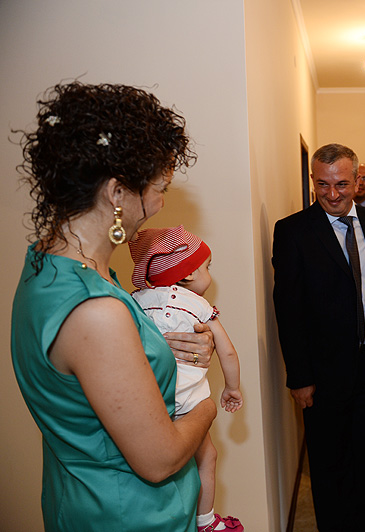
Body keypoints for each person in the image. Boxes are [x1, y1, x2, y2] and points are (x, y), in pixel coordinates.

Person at [10, 82, 218, 531]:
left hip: (80, 498)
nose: (161, 202)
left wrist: (167, 349)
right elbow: (159, 459)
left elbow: (97, 376)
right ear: (117, 193)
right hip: (130, 514)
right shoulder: (94, 310)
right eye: (161, 188)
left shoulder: (47, 267)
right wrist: (207, 404)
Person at [272, 143, 365, 532]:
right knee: (328, 465)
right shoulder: (292, 231)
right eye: (322, 184)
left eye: (341, 183)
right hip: (323, 373)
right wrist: (299, 376)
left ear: (358, 180)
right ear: (313, 180)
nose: (332, 193)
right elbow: (288, 309)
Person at [128, 225, 244, 532]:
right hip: (188, 403)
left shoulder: (134, 301)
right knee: (207, 457)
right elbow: (227, 351)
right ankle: (206, 522)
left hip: (150, 400)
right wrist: (232, 388)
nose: (210, 274)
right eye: (207, 267)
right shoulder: (198, 306)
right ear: (189, 274)